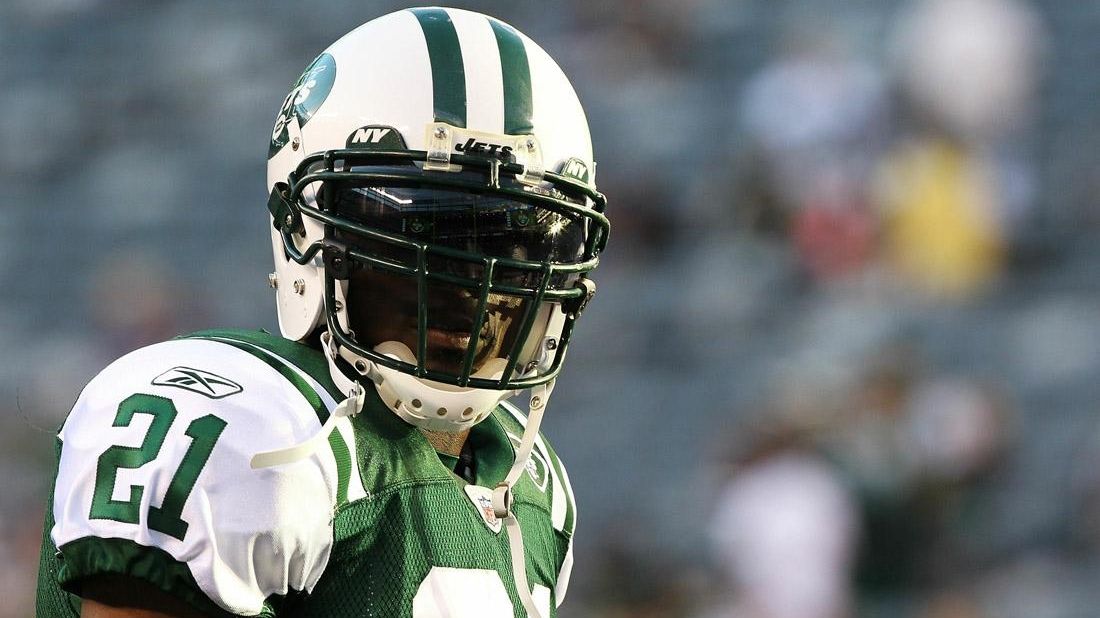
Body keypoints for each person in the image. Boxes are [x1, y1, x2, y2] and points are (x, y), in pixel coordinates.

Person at [35, 7, 610, 617]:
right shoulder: (255, 439)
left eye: (511, 243)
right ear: (304, 230)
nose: (472, 285)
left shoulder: (535, 489)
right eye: (421, 232)